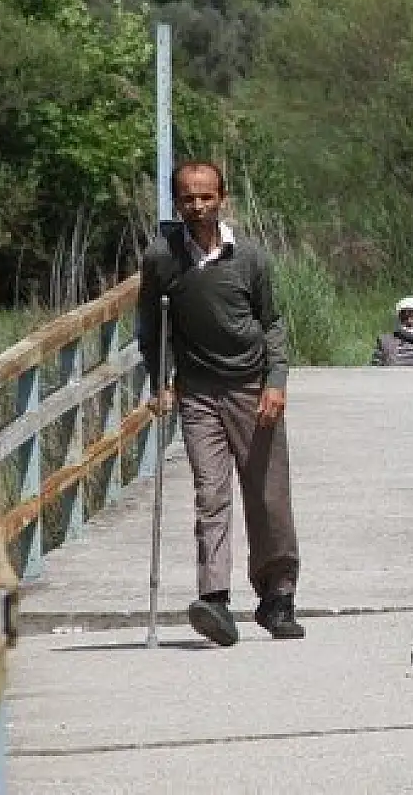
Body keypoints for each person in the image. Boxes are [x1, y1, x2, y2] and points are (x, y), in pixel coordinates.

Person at [137, 160, 305, 647]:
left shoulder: (250, 258)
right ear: (176, 202)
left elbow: (272, 323)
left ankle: (278, 597)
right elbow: (151, 327)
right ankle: (214, 599)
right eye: (188, 198)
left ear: (222, 199)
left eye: (206, 197)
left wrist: (276, 381)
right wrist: (159, 382)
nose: (197, 206)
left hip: (251, 388)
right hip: (198, 393)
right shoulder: (162, 258)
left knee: (268, 495)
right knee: (210, 495)